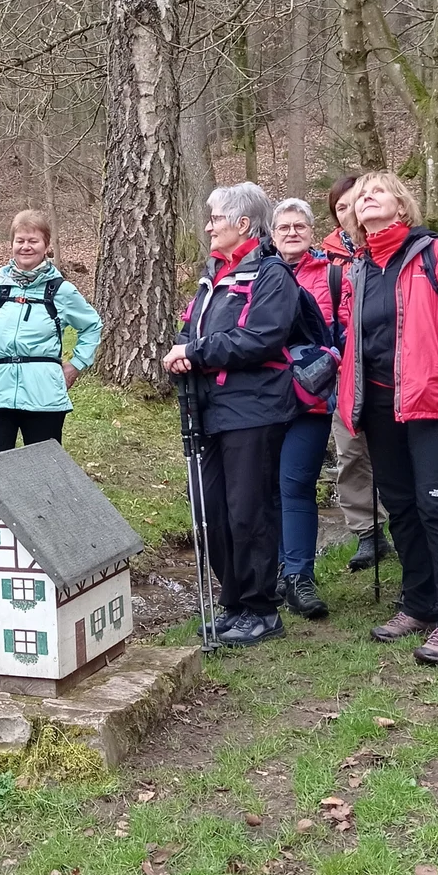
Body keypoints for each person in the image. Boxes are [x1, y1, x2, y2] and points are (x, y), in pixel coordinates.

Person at [337, 172, 438, 665]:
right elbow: (354, 334)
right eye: (360, 197)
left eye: (376, 193)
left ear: (401, 206)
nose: (366, 201)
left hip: (435, 404)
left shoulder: (435, 254)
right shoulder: (359, 267)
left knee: (437, 506)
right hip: (381, 407)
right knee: (401, 508)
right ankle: (420, 604)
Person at [163, 183, 310, 647]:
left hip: (255, 408)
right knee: (212, 512)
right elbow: (191, 330)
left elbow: (262, 338)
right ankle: (235, 602)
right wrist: (184, 355)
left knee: (248, 511)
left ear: (243, 224)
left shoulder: (271, 275)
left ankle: (262, 609)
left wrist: (197, 351)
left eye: (215, 219)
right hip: (210, 409)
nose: (208, 226)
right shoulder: (213, 276)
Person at [0, 209, 102, 455]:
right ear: (12, 244)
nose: (26, 247)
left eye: (33, 241)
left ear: (45, 246)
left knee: (43, 470)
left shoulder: (61, 291)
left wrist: (76, 365)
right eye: (20, 240)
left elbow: (91, 326)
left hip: (44, 395)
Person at [267, 198, 338, 620]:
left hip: (312, 400)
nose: (292, 233)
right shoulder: (257, 274)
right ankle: (277, 569)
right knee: (268, 487)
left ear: (312, 232)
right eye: (283, 228)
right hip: (264, 399)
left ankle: (299, 575)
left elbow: (344, 332)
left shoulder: (330, 275)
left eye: (300, 226)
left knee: (295, 483)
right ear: (271, 234)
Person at [324, 174, 391, 572]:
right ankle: (368, 533)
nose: (351, 212)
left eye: (356, 202)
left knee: (394, 451)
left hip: (388, 368)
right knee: (351, 453)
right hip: (345, 371)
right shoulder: (327, 260)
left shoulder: (394, 252)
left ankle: (406, 522)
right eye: (342, 207)